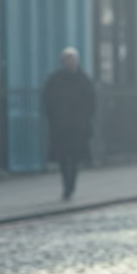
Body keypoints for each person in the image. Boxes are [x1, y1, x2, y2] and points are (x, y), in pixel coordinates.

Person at [42, 47, 96, 201]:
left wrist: (86, 119)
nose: (71, 63)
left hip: (78, 127)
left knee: (74, 159)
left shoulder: (83, 80)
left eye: (73, 60)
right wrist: (53, 118)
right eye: (68, 60)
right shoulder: (55, 80)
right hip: (60, 128)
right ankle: (67, 186)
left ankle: (70, 186)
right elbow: (47, 101)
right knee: (63, 158)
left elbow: (91, 102)